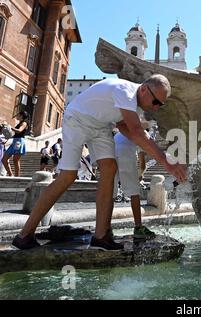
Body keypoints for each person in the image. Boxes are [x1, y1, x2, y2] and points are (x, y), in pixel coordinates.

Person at [12, 75, 187, 251]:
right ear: (144, 89)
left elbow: (126, 128)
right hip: (77, 120)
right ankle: (24, 234)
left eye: (160, 105)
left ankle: (101, 235)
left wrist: (157, 151)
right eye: (156, 101)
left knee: (110, 168)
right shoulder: (125, 91)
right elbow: (135, 131)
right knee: (68, 176)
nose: (156, 108)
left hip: (101, 126)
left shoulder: (133, 104)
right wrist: (167, 162)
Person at [113, 130, 155, 239]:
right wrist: (139, 176)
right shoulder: (144, 133)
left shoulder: (119, 133)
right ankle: (138, 227)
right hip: (126, 154)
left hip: (110, 152)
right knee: (134, 192)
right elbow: (142, 165)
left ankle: (105, 228)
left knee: (110, 193)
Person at [2, 111, 29, 177]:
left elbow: (19, 131)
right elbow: (14, 134)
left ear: (21, 116)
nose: (17, 115)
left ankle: (17, 177)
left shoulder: (24, 123)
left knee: (15, 160)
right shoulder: (19, 123)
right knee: (4, 159)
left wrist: (10, 127)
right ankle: (11, 174)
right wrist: (6, 140)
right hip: (15, 141)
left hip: (19, 142)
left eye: (18, 114)